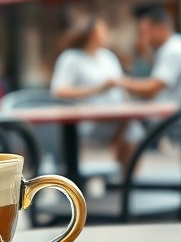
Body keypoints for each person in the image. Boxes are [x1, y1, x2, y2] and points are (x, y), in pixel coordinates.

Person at [50, 16, 135, 164]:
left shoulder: (108, 57)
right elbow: (58, 91)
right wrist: (98, 89)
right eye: (102, 31)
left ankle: (124, 179)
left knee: (133, 128)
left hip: (116, 116)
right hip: (86, 121)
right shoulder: (71, 58)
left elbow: (121, 87)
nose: (106, 34)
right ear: (90, 34)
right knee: (131, 129)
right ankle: (124, 180)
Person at [118, 6, 181, 102]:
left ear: (160, 28)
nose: (145, 37)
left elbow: (151, 89)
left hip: (177, 114)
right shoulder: (173, 46)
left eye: (145, 32)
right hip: (176, 109)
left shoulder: (174, 50)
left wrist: (119, 82)